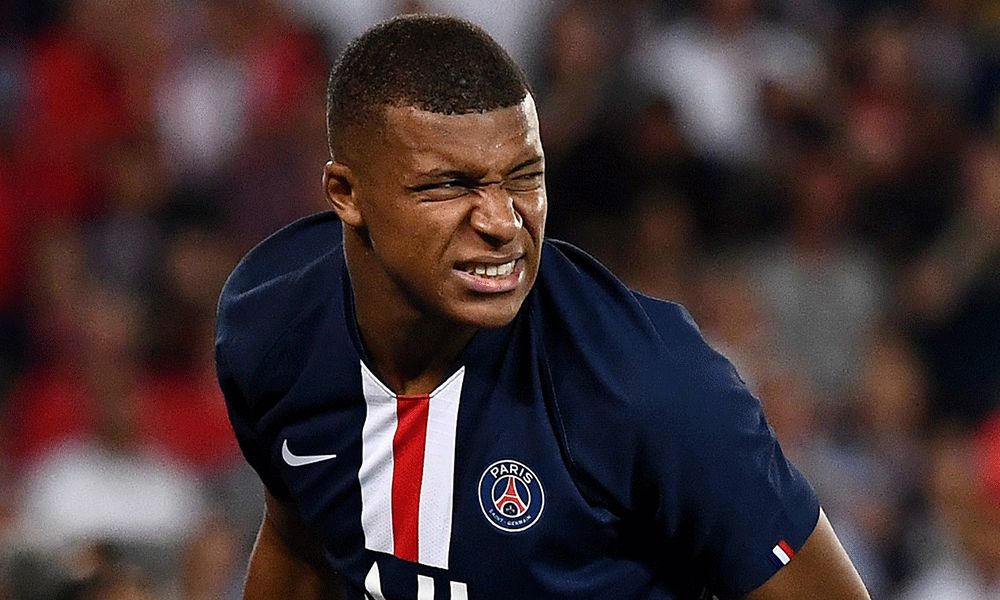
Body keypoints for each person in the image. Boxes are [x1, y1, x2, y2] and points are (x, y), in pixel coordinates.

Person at [215, 14, 870, 599]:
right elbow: (299, 544)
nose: (504, 223)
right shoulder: (271, 330)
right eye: (450, 185)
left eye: (524, 176)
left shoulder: (649, 386)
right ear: (346, 193)